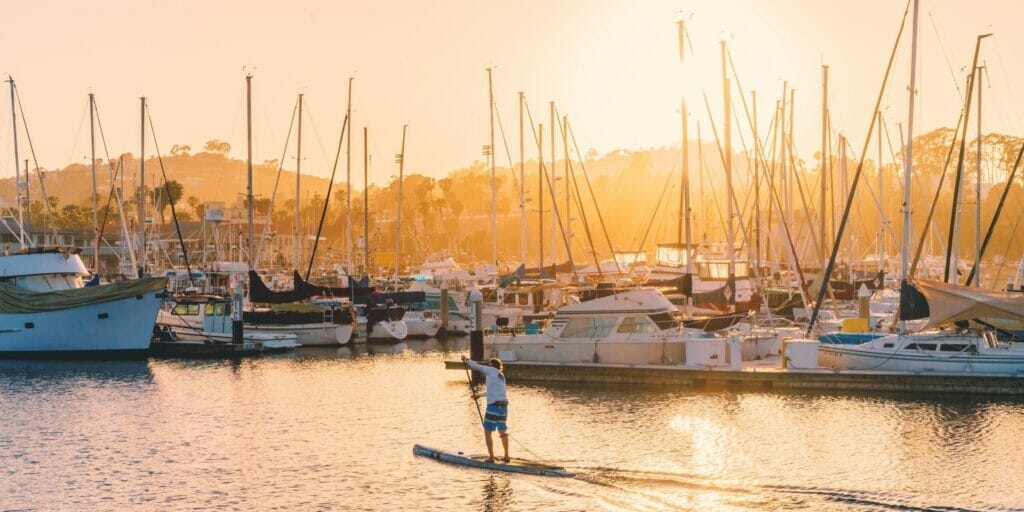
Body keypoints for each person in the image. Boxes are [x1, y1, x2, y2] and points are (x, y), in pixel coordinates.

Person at [461, 355, 509, 463]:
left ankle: (491, 457)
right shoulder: (501, 375)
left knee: (488, 432)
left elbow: (476, 366)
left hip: (494, 407)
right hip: (504, 406)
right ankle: (506, 456)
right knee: (502, 432)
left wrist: (466, 359)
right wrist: (479, 395)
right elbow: (492, 391)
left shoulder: (491, 370)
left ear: (491, 365)